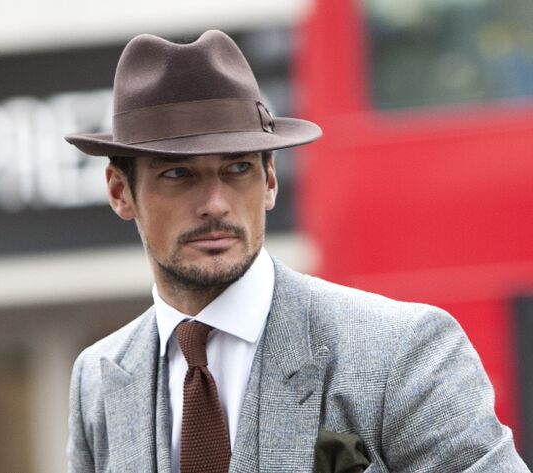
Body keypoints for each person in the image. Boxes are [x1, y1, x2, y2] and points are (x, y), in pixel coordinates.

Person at [64, 30, 529, 473]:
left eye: (238, 168)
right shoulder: (97, 378)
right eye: (178, 174)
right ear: (120, 191)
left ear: (269, 180)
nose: (215, 204)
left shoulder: (402, 349)